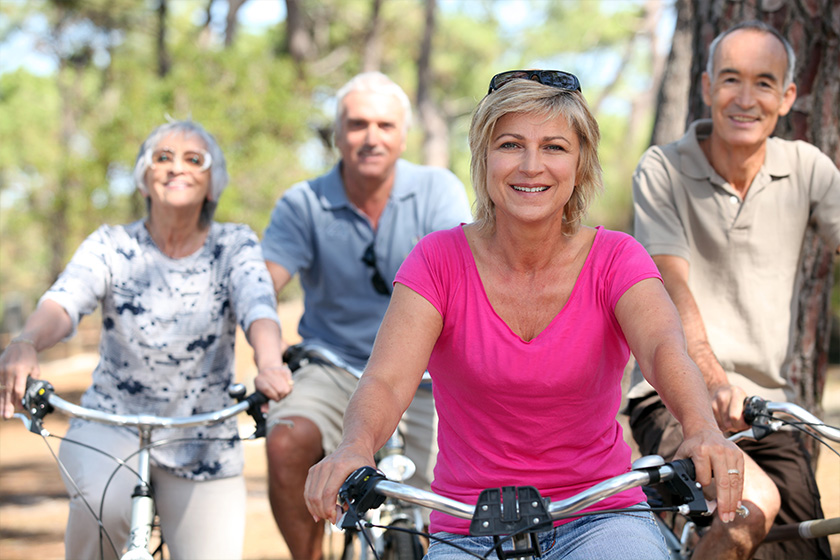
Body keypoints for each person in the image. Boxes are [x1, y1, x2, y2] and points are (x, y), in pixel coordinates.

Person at [304, 70, 744, 560]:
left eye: (555, 147)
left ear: (580, 166)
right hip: (469, 526)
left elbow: (664, 348)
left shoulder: (618, 258)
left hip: (600, 516)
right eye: (511, 144)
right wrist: (355, 446)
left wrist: (700, 426)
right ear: (484, 160)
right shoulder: (437, 259)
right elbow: (385, 380)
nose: (531, 166)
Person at [0, 120, 293, 560]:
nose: (177, 168)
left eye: (194, 159)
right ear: (143, 177)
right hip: (110, 423)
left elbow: (259, 308)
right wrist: (26, 341)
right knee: (106, 506)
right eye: (163, 157)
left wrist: (269, 363)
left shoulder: (234, 245)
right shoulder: (110, 245)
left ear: (213, 185)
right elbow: (64, 302)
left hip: (203, 436)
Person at [626, 20, 840, 560]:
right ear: (705, 88)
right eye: (730, 80)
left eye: (764, 83)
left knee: (805, 547)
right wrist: (711, 378)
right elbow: (668, 281)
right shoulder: (663, 169)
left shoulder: (808, 168)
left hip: (770, 406)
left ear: (788, 96)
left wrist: (742, 393)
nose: (746, 99)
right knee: (748, 509)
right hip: (673, 392)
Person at [261, 71, 471, 560]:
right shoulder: (304, 203)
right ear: (336, 135)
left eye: (384, 125)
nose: (371, 137)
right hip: (333, 367)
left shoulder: (438, 190)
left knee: (447, 502)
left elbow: (463, 278)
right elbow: (261, 286)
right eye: (356, 125)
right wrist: (268, 355)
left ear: (403, 135)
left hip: (426, 373)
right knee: (286, 438)